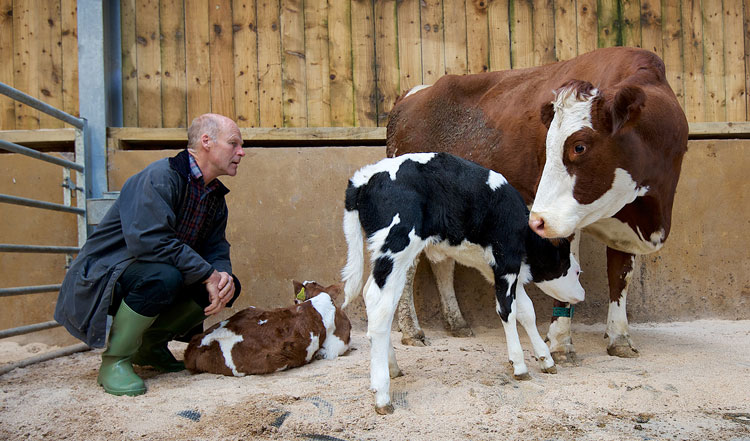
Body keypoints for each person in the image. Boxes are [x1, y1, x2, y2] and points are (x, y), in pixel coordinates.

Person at [55, 113, 245, 396]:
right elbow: (149, 242)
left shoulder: (214, 196)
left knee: (225, 285)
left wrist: (222, 275)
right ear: (206, 142)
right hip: (106, 275)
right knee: (163, 276)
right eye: (234, 144)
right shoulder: (159, 177)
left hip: (148, 272)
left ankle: (150, 346)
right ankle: (115, 361)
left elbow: (216, 247)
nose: (241, 152)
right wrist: (206, 273)